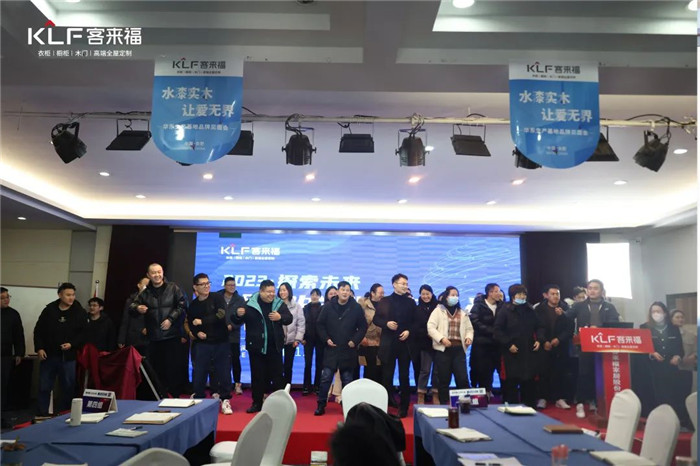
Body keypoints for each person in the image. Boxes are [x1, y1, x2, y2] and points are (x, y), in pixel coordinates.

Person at [234, 280, 292, 413]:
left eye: (273, 291)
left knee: (278, 378)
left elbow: (289, 318)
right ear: (261, 291)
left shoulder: (279, 304)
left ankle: (279, 405)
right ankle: (257, 403)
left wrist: (280, 317)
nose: (272, 294)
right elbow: (236, 320)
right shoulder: (250, 304)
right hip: (256, 348)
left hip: (275, 347)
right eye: (268, 292)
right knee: (257, 377)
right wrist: (237, 314)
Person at [131, 263, 187, 398]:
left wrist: (170, 319)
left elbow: (182, 305)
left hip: (172, 336)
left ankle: (175, 396)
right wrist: (138, 308)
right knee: (156, 370)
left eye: (159, 272)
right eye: (154, 273)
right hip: (154, 338)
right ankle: (159, 396)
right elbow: (132, 306)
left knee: (173, 368)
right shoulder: (145, 292)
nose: (157, 275)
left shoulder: (173, 288)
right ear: (148, 275)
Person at [566, 279, 620, 418]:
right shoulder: (579, 305)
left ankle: (594, 400)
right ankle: (580, 402)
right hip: (585, 343)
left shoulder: (609, 306)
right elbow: (567, 317)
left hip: (604, 345)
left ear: (602, 291)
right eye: (590, 288)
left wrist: (599, 328)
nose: (592, 291)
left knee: (599, 373)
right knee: (584, 372)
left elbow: (615, 323)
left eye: (595, 288)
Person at [34, 282, 88, 416]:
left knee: (68, 387)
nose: (71, 298)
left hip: (68, 357)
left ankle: (65, 414)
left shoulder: (79, 312)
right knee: (44, 386)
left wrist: (72, 344)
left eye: (73, 295)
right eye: (68, 295)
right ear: (60, 295)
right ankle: (42, 413)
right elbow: (39, 330)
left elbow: (84, 334)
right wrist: (39, 348)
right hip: (49, 355)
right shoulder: (49, 310)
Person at [314, 281, 367, 415]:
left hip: (348, 349)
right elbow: (320, 324)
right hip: (331, 348)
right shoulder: (328, 306)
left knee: (347, 379)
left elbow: (363, 327)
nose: (345, 292)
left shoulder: (356, 307)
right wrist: (326, 339)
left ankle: (348, 406)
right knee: (326, 378)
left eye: (347, 290)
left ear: (350, 292)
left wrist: (354, 341)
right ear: (337, 292)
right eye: (342, 290)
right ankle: (321, 405)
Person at [640, 302, 690, 428]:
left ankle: (672, 424)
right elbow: (641, 348)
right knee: (655, 396)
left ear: (665, 313)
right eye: (653, 312)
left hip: (670, 367)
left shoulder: (673, 328)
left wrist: (678, 356)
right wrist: (651, 353)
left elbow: (680, 349)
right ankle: (656, 424)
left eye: (659, 311)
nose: (656, 314)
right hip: (652, 368)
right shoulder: (644, 327)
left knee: (671, 396)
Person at [188, 273, 233, 414]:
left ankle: (225, 399)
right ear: (195, 287)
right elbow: (191, 323)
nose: (206, 286)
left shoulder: (217, 297)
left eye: (208, 283)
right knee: (199, 372)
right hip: (203, 343)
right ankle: (199, 398)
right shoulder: (193, 305)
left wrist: (203, 321)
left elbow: (221, 315)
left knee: (224, 372)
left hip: (221, 342)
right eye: (203, 284)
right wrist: (197, 333)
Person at [494, 284, 544, 408]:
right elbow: (498, 330)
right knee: (511, 381)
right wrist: (508, 344)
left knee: (529, 380)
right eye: (519, 294)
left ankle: (530, 406)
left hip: (528, 350)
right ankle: (512, 407)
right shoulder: (505, 310)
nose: (522, 297)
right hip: (512, 351)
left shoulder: (530, 309)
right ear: (512, 296)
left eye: (524, 294)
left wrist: (539, 340)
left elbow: (539, 326)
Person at [374, 273, 416, 418]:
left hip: (405, 344)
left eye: (406, 284)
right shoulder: (385, 301)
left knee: (404, 376)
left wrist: (409, 331)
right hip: (389, 344)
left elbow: (416, 322)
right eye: (403, 283)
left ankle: (404, 407)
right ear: (394, 284)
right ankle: (385, 405)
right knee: (387, 376)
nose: (405, 286)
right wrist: (386, 324)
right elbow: (376, 319)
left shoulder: (411, 302)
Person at [427, 286, 474, 404]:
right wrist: (442, 339)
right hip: (444, 350)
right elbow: (431, 327)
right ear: (446, 296)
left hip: (459, 350)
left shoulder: (462, 312)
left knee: (462, 379)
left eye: (457, 295)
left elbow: (469, 329)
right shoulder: (438, 310)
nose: (455, 297)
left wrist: (468, 337)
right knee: (443, 380)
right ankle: (444, 405)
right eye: (452, 295)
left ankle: (464, 405)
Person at [533, 285, 573, 410]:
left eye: (557, 294)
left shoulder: (566, 308)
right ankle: (543, 397)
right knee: (543, 372)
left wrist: (559, 339)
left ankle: (559, 398)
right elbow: (536, 327)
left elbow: (570, 328)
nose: (556, 296)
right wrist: (543, 341)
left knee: (560, 372)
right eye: (553, 294)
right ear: (546, 295)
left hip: (560, 345)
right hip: (544, 345)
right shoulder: (539, 308)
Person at [469, 283, 504, 400]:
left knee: (501, 370)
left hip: (498, 344)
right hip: (482, 344)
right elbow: (475, 321)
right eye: (497, 291)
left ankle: (504, 394)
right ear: (490, 293)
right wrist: (491, 331)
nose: (499, 294)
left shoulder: (502, 306)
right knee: (484, 371)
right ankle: (485, 394)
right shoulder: (478, 306)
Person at [413, 284, 439, 405]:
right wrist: (428, 333)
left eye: (427, 294)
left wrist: (436, 335)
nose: (425, 296)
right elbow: (416, 327)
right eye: (423, 294)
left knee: (437, 371)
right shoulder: (417, 309)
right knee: (425, 370)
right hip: (424, 343)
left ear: (432, 294)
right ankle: (421, 394)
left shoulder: (439, 308)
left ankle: (435, 394)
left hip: (438, 343)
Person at [219, 277, 246, 395]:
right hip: (219, 334)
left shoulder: (240, 299)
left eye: (233, 285)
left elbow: (243, 318)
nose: (232, 287)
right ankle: (222, 384)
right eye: (229, 285)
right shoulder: (217, 297)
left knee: (235, 360)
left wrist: (232, 326)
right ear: (225, 286)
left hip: (233, 335)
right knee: (220, 360)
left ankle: (237, 383)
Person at [1, 287, 25, 418]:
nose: (6, 300)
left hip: (5, 355)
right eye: (2, 298)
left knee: (3, 385)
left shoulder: (13, 314)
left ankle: (2, 413)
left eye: (7, 297)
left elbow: (18, 336)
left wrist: (19, 353)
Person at [279, 282, 306, 387]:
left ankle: (287, 387)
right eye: (280, 290)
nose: (282, 292)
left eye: (284, 290)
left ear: (289, 291)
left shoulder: (297, 306)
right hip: (278, 340)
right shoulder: (276, 305)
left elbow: (301, 324)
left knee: (288, 366)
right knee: (277, 366)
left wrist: (297, 339)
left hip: (291, 340)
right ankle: (278, 387)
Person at [358, 284, 383, 385]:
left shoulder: (385, 304)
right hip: (367, 342)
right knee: (370, 370)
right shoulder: (363, 304)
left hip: (381, 342)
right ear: (372, 293)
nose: (382, 295)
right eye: (380, 293)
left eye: (383, 293)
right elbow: (357, 322)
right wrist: (361, 337)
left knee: (380, 371)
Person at [117, 277, 150, 355]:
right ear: (139, 285)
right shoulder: (131, 300)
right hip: (132, 338)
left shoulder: (153, 300)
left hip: (147, 338)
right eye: (145, 284)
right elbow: (125, 320)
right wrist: (121, 339)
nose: (147, 287)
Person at [302, 288, 324, 395]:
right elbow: (302, 324)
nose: (314, 297)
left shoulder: (323, 308)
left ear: (319, 296)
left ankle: (317, 386)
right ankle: (306, 386)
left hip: (320, 339)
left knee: (319, 364)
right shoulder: (305, 308)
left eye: (316, 295)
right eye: (312, 295)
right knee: (308, 363)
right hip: (307, 339)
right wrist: (302, 337)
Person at [670, 309, 697, 395]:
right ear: (671, 319)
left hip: (686, 369)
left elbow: (696, 351)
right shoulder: (667, 335)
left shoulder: (691, 335)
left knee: (686, 394)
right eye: (677, 317)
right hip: (671, 370)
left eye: (682, 317)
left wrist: (690, 358)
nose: (680, 319)